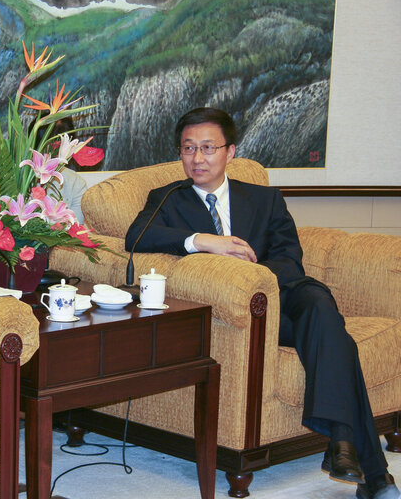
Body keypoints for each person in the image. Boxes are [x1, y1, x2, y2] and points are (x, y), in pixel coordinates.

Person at [125, 107, 399, 499]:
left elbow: (291, 259)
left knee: (319, 304)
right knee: (338, 340)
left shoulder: (264, 198)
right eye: (188, 149)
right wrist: (202, 240)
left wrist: (257, 275)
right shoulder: (167, 199)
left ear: (230, 152)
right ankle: (362, 464)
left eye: (207, 148)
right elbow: (137, 236)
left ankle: (345, 446)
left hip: (287, 294)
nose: (197, 159)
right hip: (248, 315)